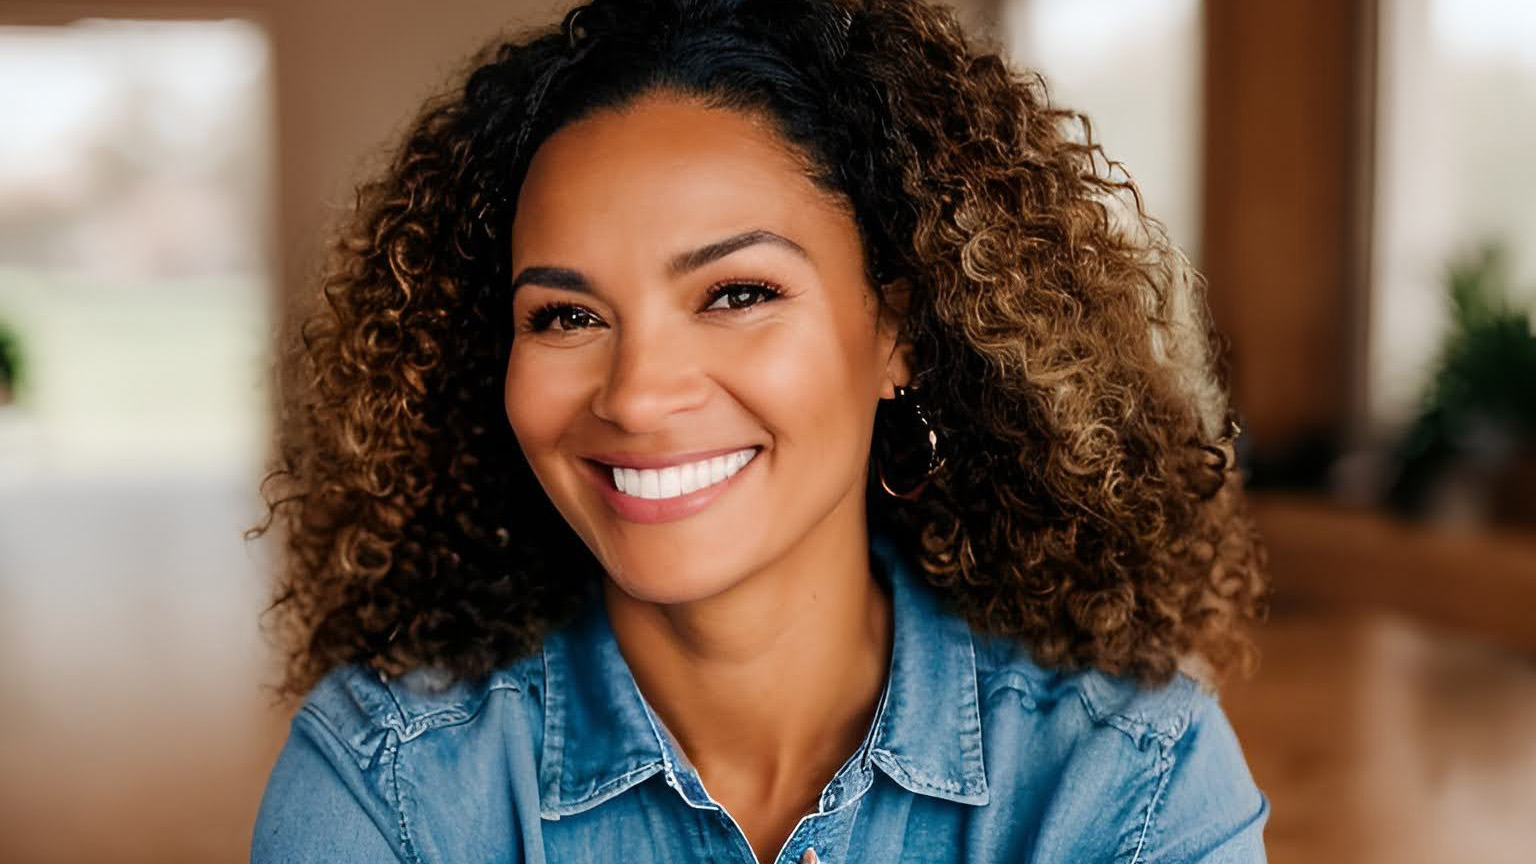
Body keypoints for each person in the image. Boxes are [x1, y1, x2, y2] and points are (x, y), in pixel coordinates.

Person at [247, 0, 1272, 861]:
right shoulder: (387, 779)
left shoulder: (1128, 773)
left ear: (898, 333)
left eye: (736, 292)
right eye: (564, 316)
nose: (639, 396)